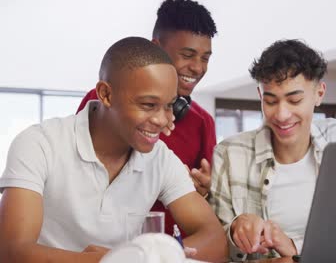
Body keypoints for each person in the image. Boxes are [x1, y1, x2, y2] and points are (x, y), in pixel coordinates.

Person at [0, 37, 227, 263]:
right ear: (106, 94)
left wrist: (148, 256)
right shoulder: (38, 143)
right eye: (148, 105)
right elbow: (12, 252)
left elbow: (215, 240)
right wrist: (117, 260)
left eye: (169, 106)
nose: (162, 120)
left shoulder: (161, 158)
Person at [76, 0, 217, 235]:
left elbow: (208, 210)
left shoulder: (202, 122)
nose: (197, 67)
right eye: (188, 54)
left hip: (168, 248)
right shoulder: (102, 101)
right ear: (157, 47)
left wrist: (204, 191)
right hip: (101, 242)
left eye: (205, 58)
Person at [209, 39, 336, 261]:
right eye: (270, 101)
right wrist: (234, 231)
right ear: (260, 96)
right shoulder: (230, 154)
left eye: (294, 100)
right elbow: (213, 249)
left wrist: (295, 249)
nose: (282, 115)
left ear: (319, 94)